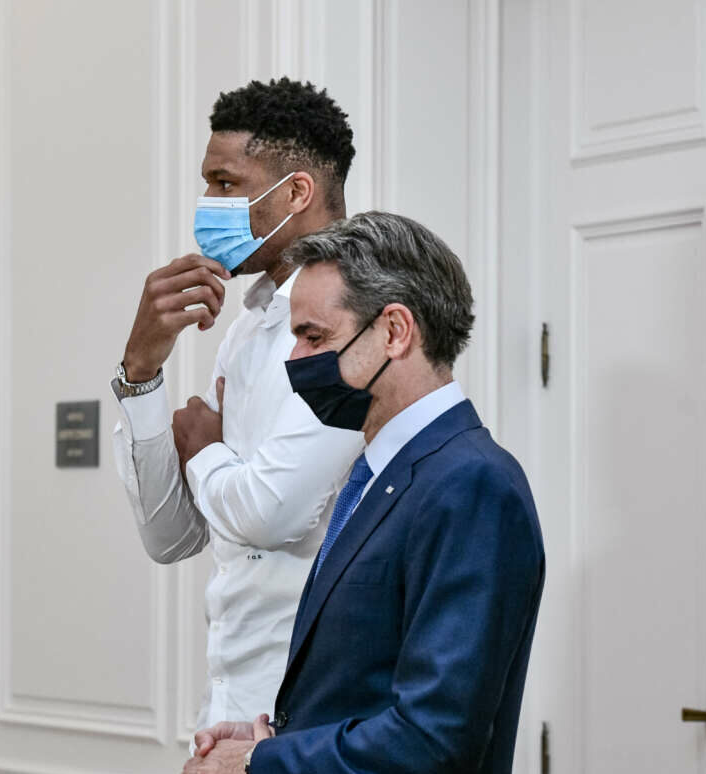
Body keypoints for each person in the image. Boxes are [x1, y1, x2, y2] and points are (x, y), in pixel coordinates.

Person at [186, 212, 546, 774]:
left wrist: (260, 762)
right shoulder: (381, 472)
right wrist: (276, 739)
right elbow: (364, 689)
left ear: (395, 331)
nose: (295, 361)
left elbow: (435, 738)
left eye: (314, 337)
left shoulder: (472, 484)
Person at [109, 78, 364, 733]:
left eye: (225, 184)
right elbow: (171, 536)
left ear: (297, 193)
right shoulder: (249, 327)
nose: (209, 205)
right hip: (230, 701)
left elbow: (270, 513)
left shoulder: (354, 319)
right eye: (207, 184)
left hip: (318, 713)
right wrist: (142, 371)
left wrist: (204, 448)